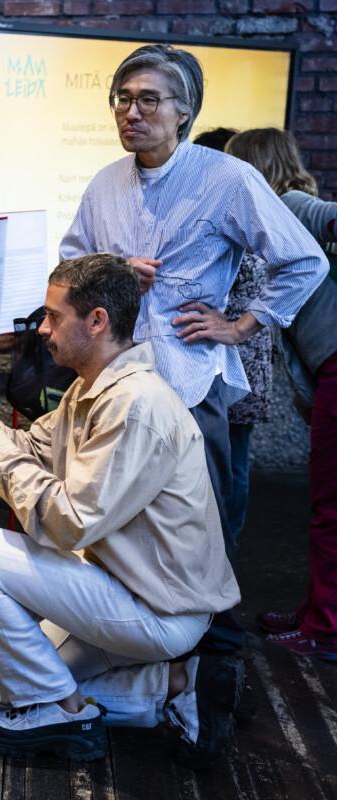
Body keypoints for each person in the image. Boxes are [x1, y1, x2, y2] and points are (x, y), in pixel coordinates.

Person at [0, 253, 243, 765]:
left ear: (97, 321)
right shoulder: (90, 390)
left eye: (53, 316)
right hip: (122, 590)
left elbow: (69, 523)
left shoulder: (135, 405)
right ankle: (174, 686)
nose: (43, 329)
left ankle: (69, 709)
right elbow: (30, 449)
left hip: (158, 611)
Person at [60, 45, 328, 566]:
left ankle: (216, 636)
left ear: (184, 112)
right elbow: (71, 262)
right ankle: (128, 626)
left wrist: (240, 326)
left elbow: (303, 260)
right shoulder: (105, 183)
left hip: (189, 376)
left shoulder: (226, 178)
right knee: (117, 516)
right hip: (114, 377)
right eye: (123, 99)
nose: (131, 112)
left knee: (202, 516)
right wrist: (114, 270)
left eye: (148, 101)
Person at [226, 128, 337, 661]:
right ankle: (319, 612)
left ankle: (325, 628)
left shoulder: (293, 203)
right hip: (327, 371)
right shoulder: (280, 220)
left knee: (330, 507)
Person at [192, 126, 273, 545]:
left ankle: (224, 552)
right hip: (243, 359)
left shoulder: (232, 216)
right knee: (231, 461)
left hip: (232, 361)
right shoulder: (247, 211)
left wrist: (234, 326)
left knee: (228, 464)